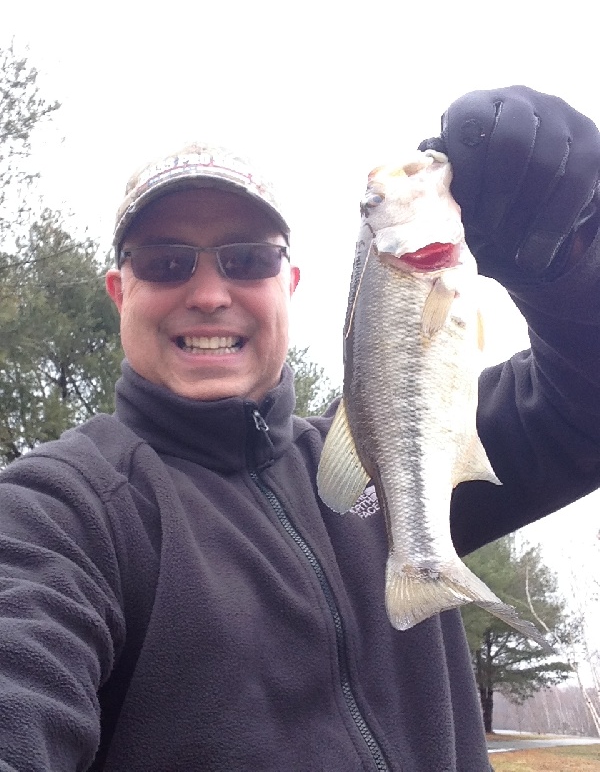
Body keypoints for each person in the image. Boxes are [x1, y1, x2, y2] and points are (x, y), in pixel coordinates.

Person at [0, 85, 599, 772]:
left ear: (290, 282)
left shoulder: (389, 455)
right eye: (166, 263)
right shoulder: (57, 512)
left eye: (246, 259)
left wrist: (570, 264)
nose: (208, 293)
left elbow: (584, 403)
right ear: (119, 292)